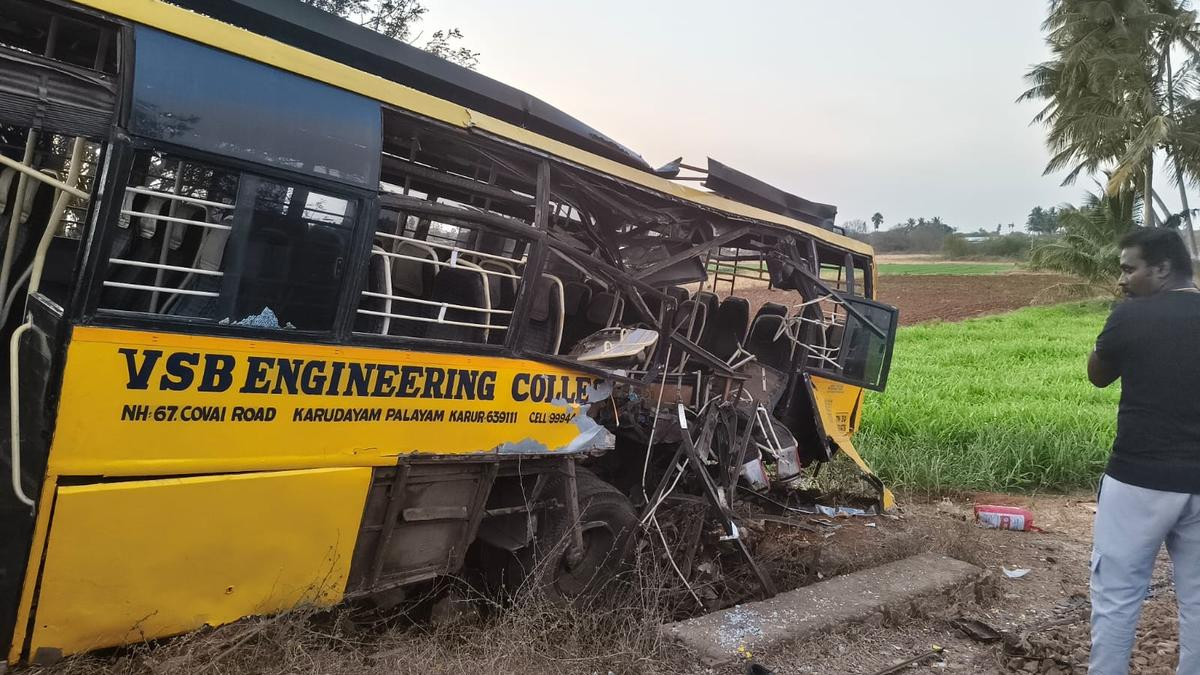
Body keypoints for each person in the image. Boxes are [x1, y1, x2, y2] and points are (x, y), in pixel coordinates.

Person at [1087, 227, 1200, 674]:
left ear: (1162, 268)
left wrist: (1120, 323)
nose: (1121, 280)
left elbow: (1098, 375)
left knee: (1117, 594)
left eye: (1128, 269)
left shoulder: (1130, 316)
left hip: (1138, 479)